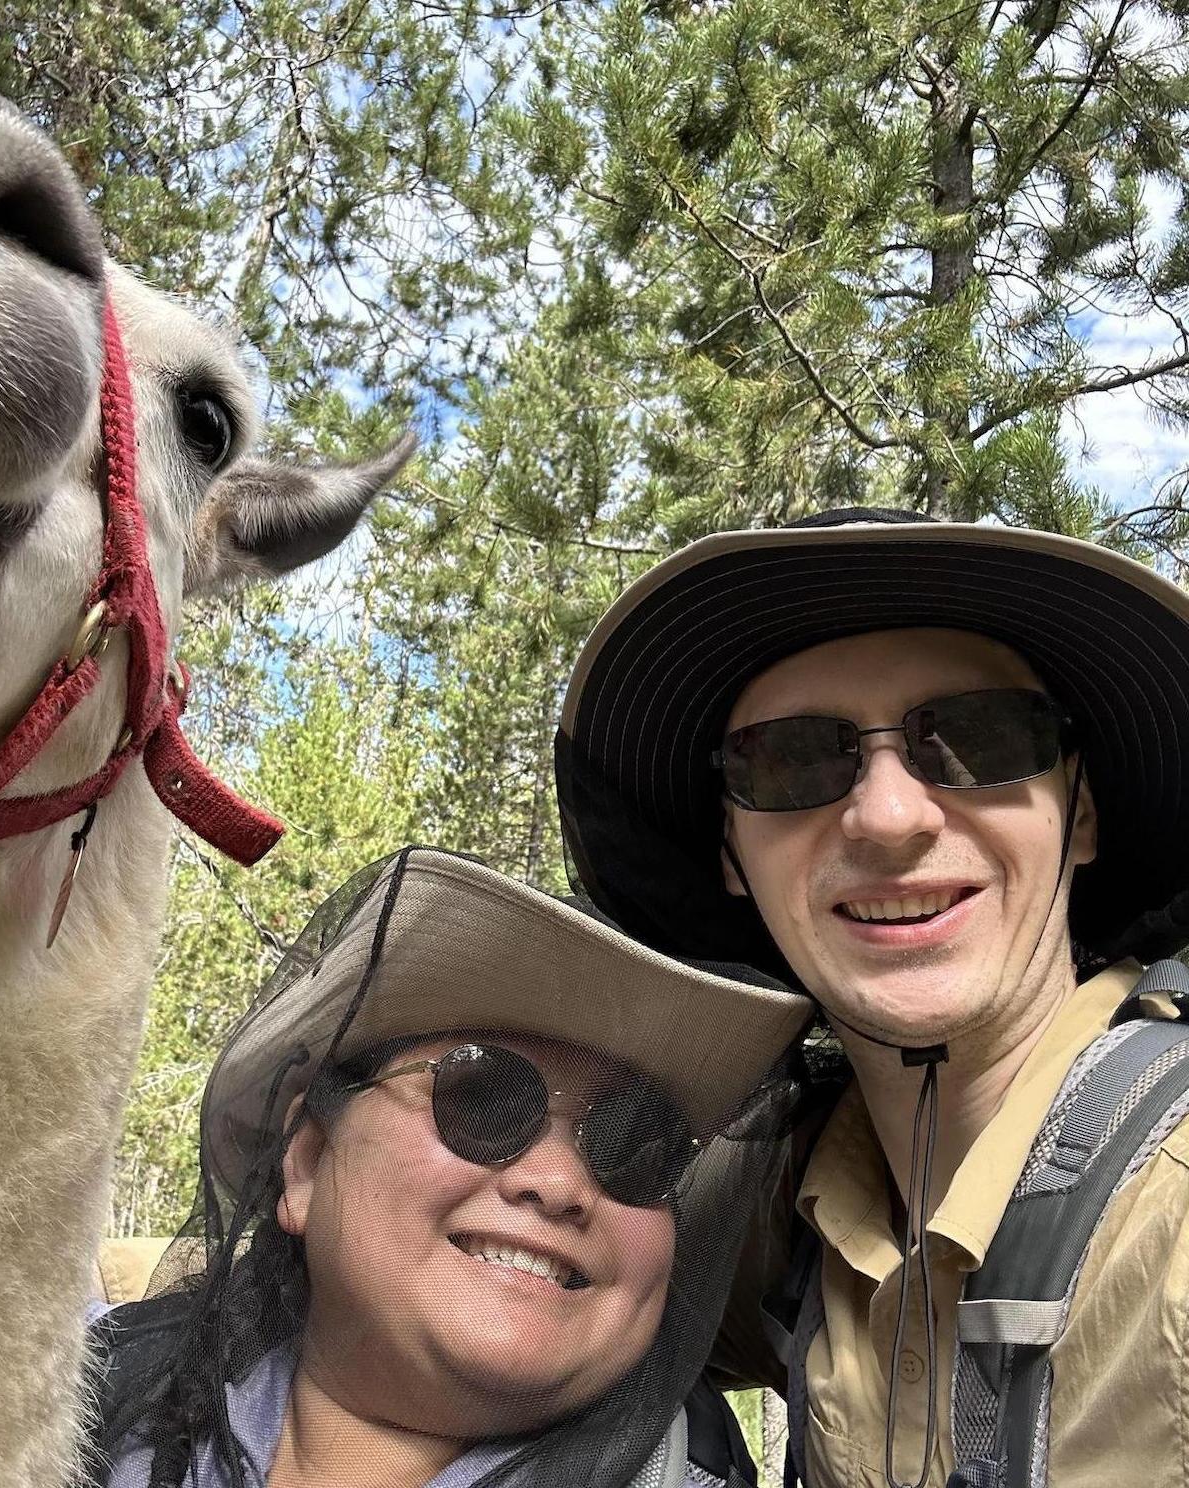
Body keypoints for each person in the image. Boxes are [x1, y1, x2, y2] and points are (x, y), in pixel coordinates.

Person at [555, 508, 1189, 1488]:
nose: (890, 816)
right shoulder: (782, 1214)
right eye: (793, 760)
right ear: (732, 853)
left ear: (1083, 811)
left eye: (979, 739)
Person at [85, 846, 811, 1487]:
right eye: (482, 1098)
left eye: (636, 1145)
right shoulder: (58, 1387)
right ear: (304, 1162)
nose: (560, 1185)